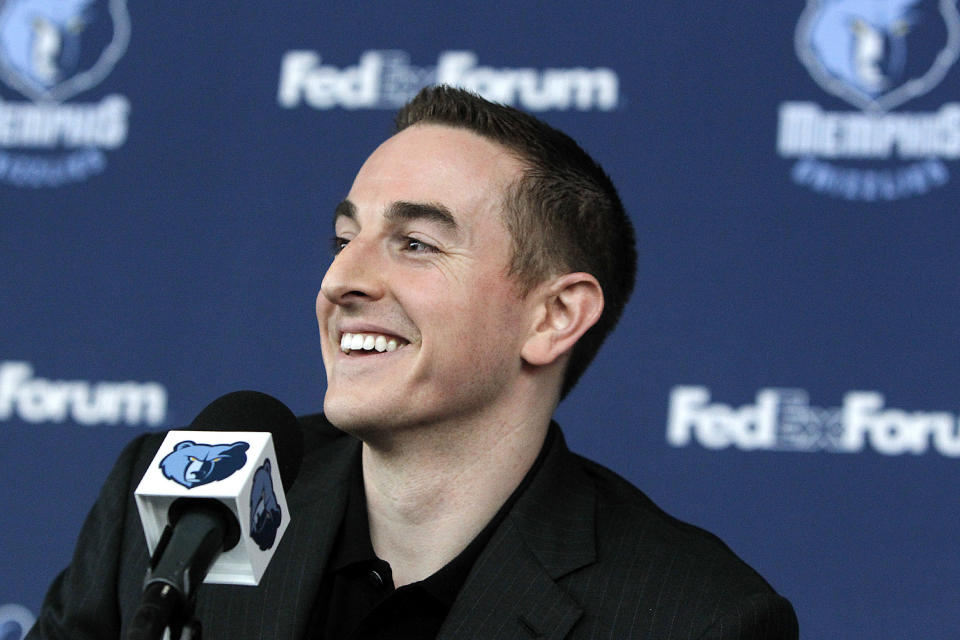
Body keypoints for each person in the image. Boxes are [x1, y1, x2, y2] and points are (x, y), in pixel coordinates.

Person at [28, 85, 798, 639]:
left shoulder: (696, 617)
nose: (341, 281)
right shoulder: (172, 509)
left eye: (417, 244)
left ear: (554, 316)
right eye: (343, 240)